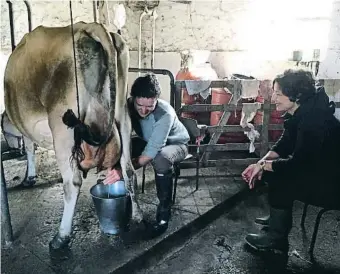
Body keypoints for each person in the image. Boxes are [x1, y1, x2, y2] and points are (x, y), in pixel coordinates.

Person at [242, 69, 340, 253]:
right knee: (273, 170)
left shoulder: (314, 121)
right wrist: (260, 163)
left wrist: (264, 166)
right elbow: (285, 143)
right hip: (321, 172)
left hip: (334, 186)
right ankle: (277, 218)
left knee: (281, 178)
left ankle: (276, 240)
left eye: (278, 93)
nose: (273, 98)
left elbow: (299, 166)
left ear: (297, 95)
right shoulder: (303, 110)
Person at [104, 73, 190, 237]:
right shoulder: (128, 105)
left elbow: (150, 154)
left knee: (161, 159)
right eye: (139, 105)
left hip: (176, 144)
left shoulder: (165, 115)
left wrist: (124, 171)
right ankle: (126, 203)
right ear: (133, 98)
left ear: (156, 99)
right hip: (148, 140)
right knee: (122, 150)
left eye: (149, 107)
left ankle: (164, 214)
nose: (143, 110)